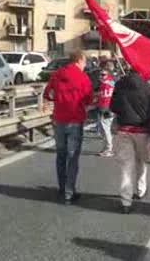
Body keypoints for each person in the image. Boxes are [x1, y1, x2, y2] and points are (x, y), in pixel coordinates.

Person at [43, 50, 93, 205]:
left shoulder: (57, 75)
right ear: (78, 60)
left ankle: (62, 187)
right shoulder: (83, 77)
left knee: (61, 155)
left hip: (59, 120)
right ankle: (69, 193)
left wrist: (59, 98)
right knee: (72, 157)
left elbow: (48, 94)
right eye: (84, 62)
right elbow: (88, 99)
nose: (85, 65)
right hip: (75, 120)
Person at [110, 70, 150, 214]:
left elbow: (113, 107)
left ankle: (126, 200)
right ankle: (140, 189)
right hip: (142, 131)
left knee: (126, 167)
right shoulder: (147, 88)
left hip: (124, 129)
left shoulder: (120, 85)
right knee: (142, 162)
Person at [97, 61, 116, 158]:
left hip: (107, 108)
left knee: (105, 129)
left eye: (102, 74)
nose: (100, 76)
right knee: (104, 129)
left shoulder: (108, 83)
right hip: (105, 108)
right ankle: (106, 148)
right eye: (100, 74)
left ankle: (109, 149)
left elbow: (106, 97)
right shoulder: (108, 82)